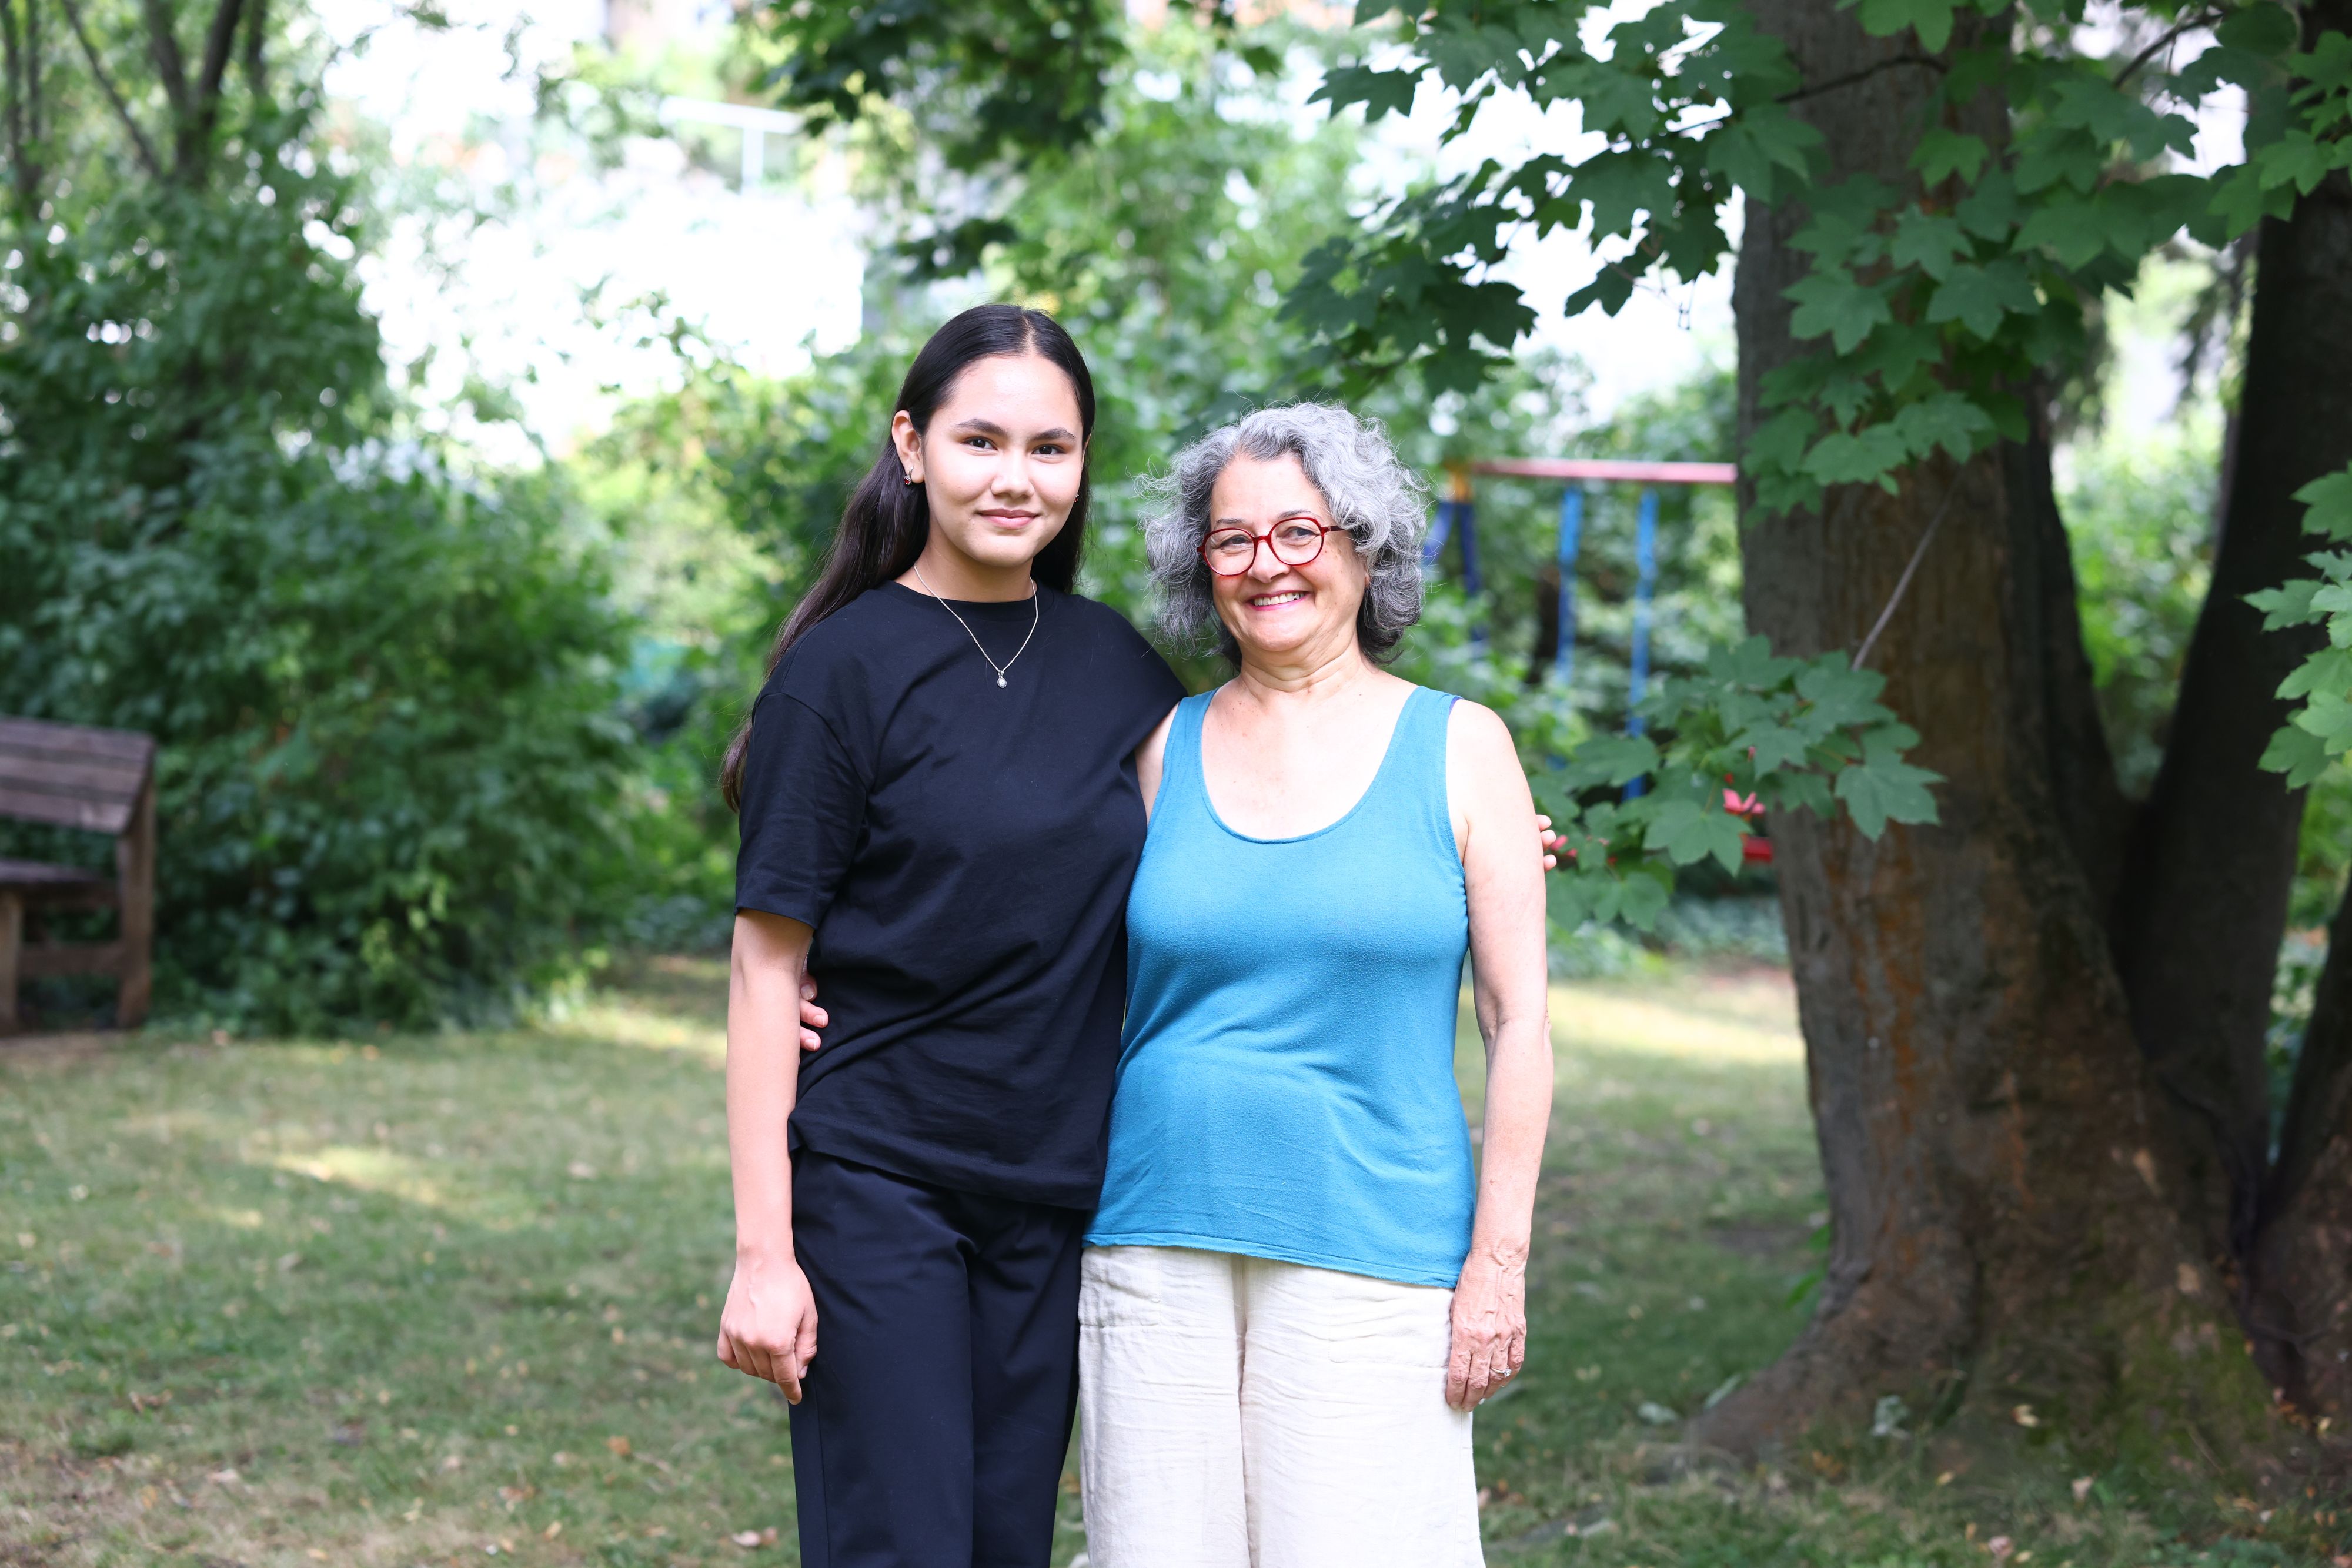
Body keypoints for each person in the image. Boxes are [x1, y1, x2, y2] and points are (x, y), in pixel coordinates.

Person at [712, 303, 1187, 1568]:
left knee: (1000, 1547)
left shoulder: (1119, 668)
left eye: (1050, 447)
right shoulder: (840, 672)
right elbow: (765, 967)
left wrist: (1456, 825)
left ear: (1081, 465)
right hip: (880, 1180)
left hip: (1055, 1189)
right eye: (981, 440)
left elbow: (1252, 824)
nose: (1015, 478)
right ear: (912, 446)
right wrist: (765, 1255)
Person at [1078, 404, 1555, 1567]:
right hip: (1151, 1239)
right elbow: (1028, 929)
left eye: (1298, 531)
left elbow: (1518, 1022)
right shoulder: (1156, 748)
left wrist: (1497, 1267)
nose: (1266, 564)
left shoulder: (1462, 747)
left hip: (1374, 1246)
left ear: (1363, 547)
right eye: (1232, 538)